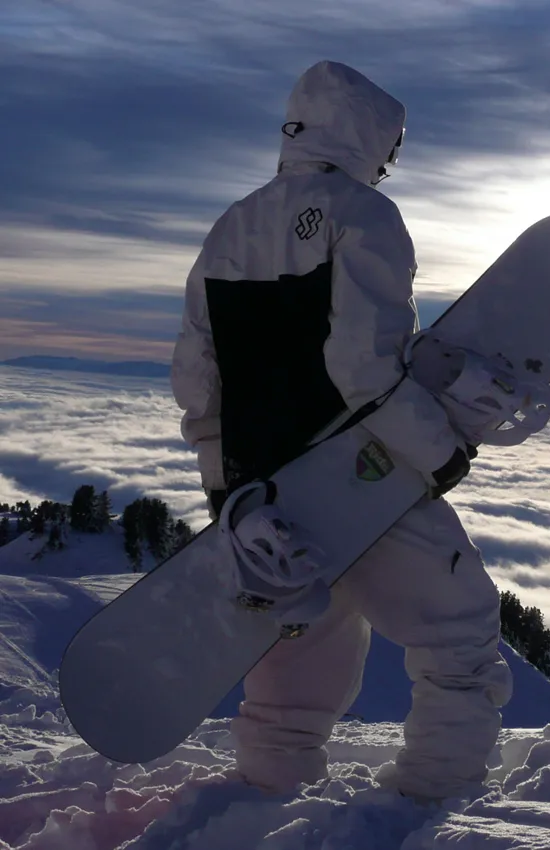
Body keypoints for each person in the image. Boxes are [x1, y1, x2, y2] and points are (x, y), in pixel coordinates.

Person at [170, 60, 512, 802]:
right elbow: (362, 367)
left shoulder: (231, 224)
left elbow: (198, 378)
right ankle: (431, 804)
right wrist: (440, 454)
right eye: (391, 146)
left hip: (270, 493)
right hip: (359, 472)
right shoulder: (365, 215)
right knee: (460, 635)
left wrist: (230, 492)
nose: (390, 162)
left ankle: (264, 800)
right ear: (369, 136)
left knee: (298, 669)